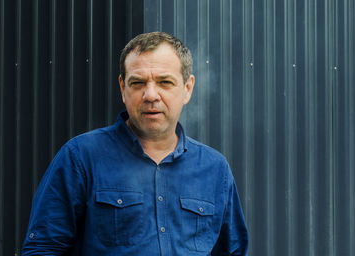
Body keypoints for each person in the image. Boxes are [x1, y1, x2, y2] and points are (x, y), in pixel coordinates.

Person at [22, 32, 248, 255]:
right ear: (123, 87)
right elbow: (43, 249)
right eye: (138, 83)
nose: (150, 95)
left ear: (187, 88)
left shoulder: (215, 169)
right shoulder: (81, 158)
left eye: (165, 82)